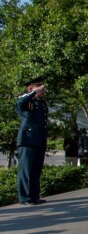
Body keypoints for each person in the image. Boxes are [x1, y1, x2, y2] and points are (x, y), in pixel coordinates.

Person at [16, 77, 48, 205]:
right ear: (31, 88)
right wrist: (33, 92)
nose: (42, 91)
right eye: (39, 88)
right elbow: (20, 104)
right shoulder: (25, 100)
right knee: (26, 170)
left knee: (36, 170)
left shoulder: (41, 102)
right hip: (28, 139)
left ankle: (34, 196)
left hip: (39, 139)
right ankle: (25, 198)